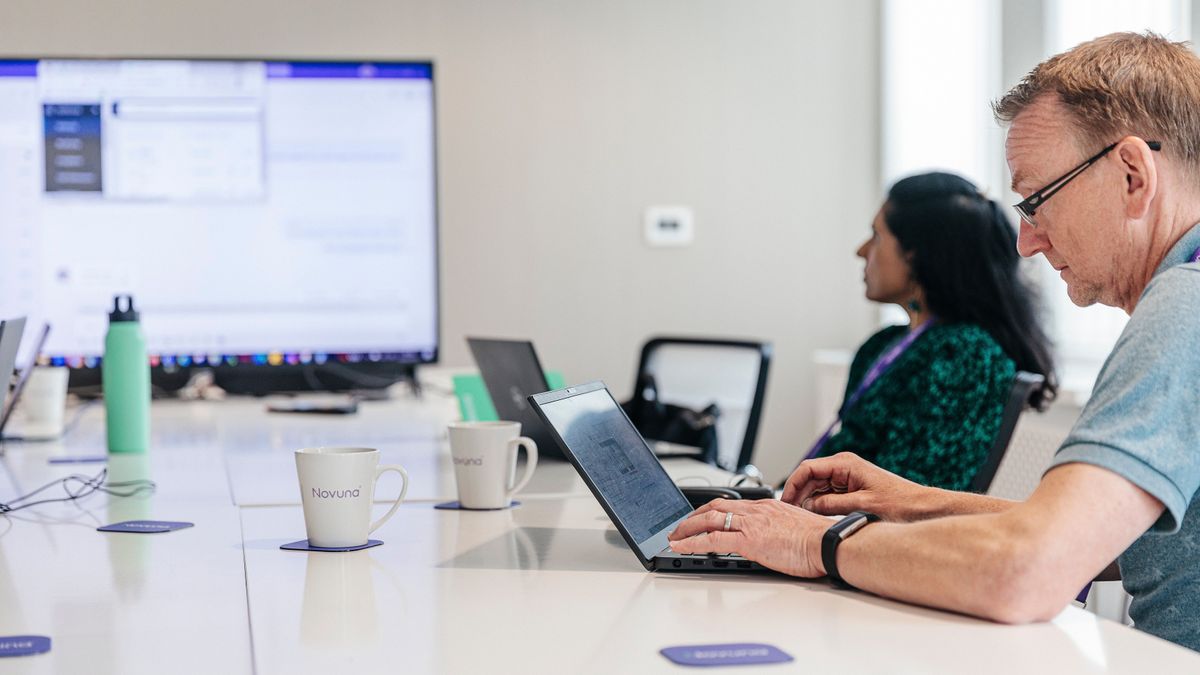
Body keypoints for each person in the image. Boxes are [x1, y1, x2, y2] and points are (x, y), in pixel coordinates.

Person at [669, 31, 1200, 652]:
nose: (1026, 242)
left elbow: (1028, 570)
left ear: (1133, 174)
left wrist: (814, 542)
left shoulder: (1184, 307)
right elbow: (1108, 544)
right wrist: (910, 503)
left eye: (1036, 202)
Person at [808, 172, 1056, 490]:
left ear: (916, 256)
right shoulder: (881, 345)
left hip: (867, 534)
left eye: (877, 237)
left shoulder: (965, 356)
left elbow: (907, 495)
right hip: (833, 524)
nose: (861, 250)